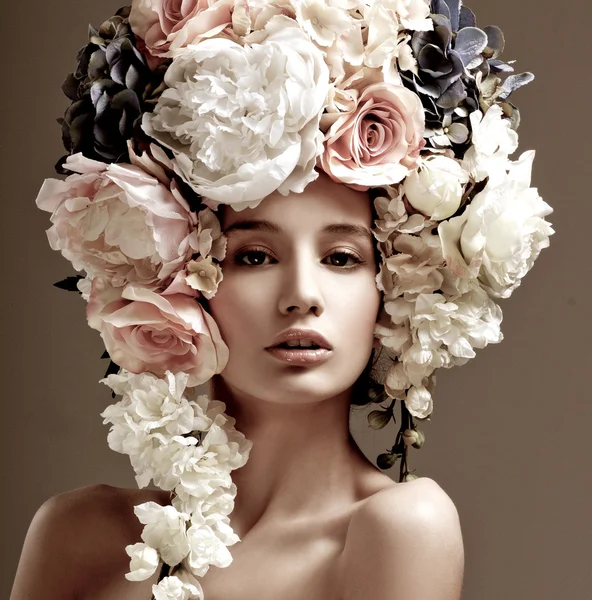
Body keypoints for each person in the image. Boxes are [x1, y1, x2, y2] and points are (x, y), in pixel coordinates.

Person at [10, 171, 464, 600]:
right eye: (255, 257)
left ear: (391, 294)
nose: (303, 294)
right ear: (180, 290)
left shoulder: (402, 528)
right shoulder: (76, 534)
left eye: (341, 258)